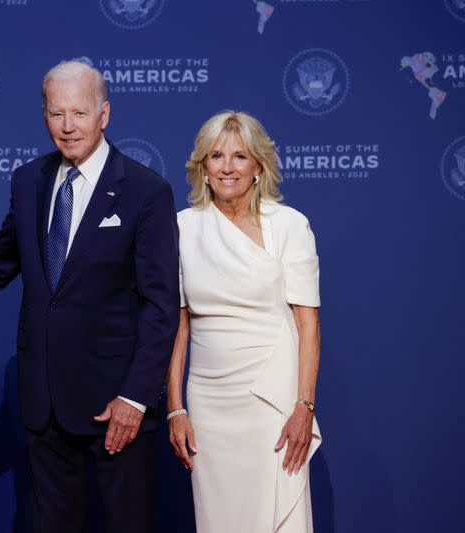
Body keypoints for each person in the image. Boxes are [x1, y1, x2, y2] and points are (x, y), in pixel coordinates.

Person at [0, 60, 179, 533]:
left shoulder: (146, 191)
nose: (67, 127)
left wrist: (135, 397)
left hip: (117, 406)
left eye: (80, 113)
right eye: (56, 114)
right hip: (44, 402)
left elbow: (161, 304)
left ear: (104, 114)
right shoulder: (28, 180)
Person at [167, 111, 322, 532]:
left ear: (258, 165)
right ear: (203, 165)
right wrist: (175, 408)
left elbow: (308, 324)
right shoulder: (181, 228)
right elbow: (177, 328)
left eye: (240, 156)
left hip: (272, 400)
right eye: (216, 156)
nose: (228, 167)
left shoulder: (289, 225)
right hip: (209, 405)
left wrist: (304, 407)